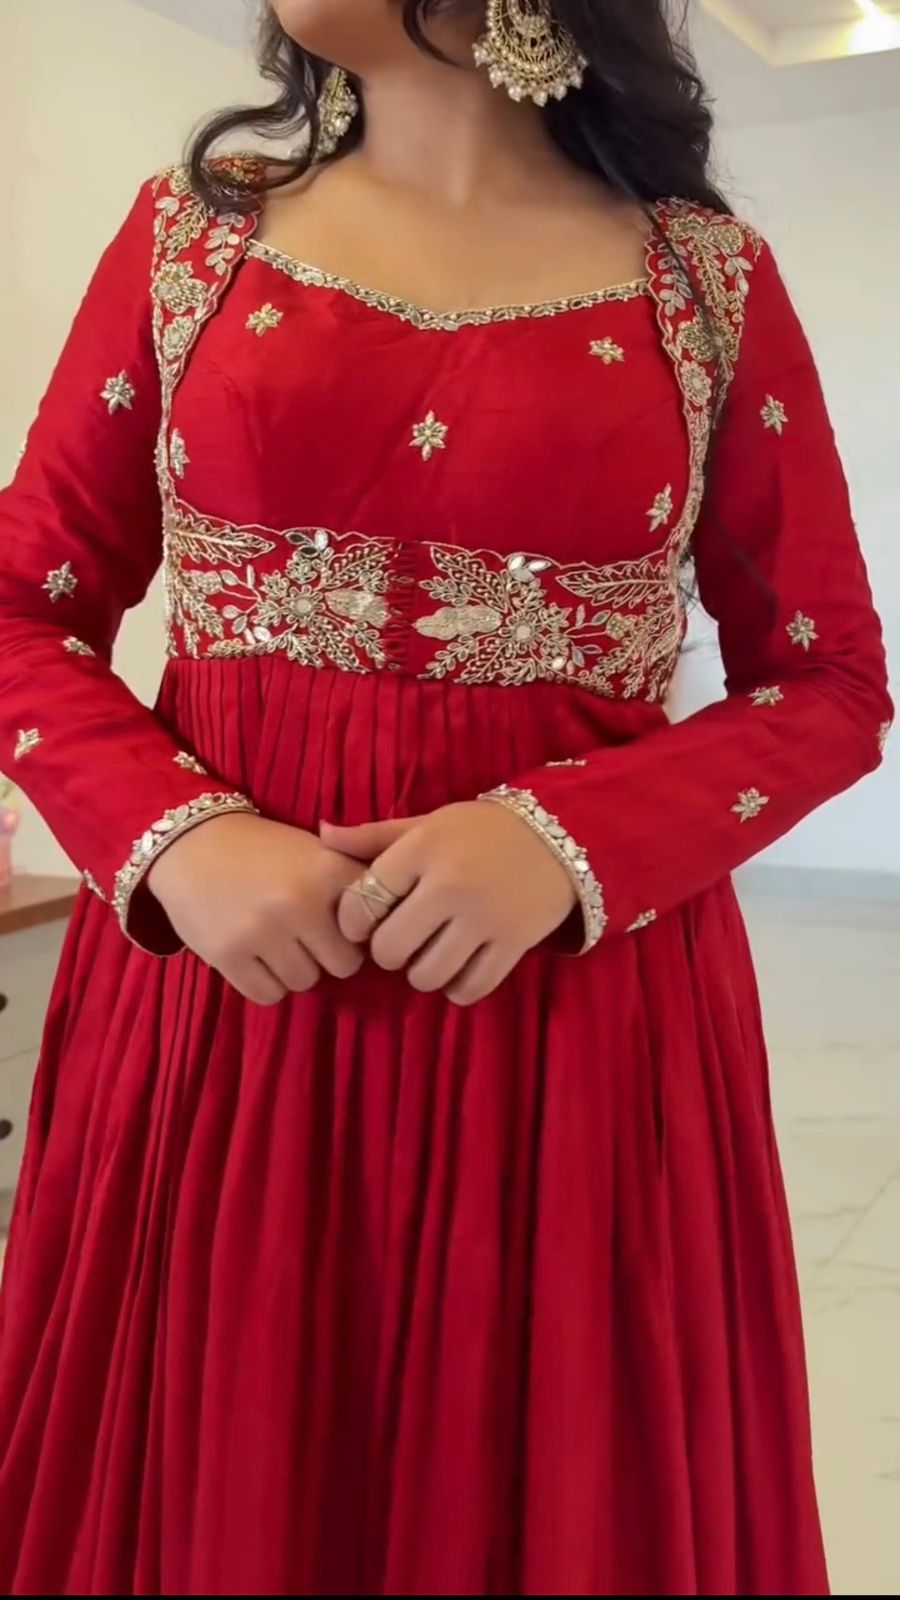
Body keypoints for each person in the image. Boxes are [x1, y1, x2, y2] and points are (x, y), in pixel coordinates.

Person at [0, 1, 891, 1592]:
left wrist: (572, 839)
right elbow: (20, 605)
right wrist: (171, 832)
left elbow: (826, 683)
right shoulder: (194, 242)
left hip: (570, 1014)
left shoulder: (705, 286)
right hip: (231, 997)